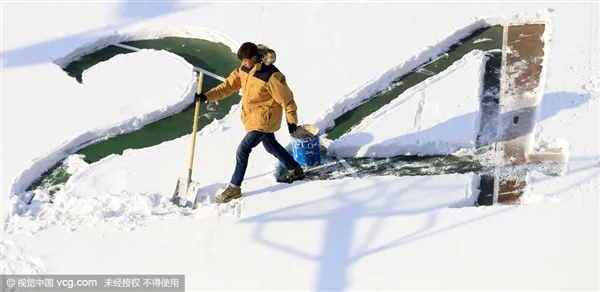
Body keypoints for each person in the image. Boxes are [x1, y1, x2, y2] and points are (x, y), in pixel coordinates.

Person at [194, 42, 305, 203]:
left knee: (243, 149)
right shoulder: (244, 69)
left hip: (264, 119)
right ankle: (295, 169)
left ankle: (234, 187)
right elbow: (228, 86)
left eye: (245, 61)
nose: (242, 64)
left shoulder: (271, 75)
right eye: (241, 61)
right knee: (270, 146)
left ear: (254, 58)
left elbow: (287, 99)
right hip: (252, 117)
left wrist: (292, 121)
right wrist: (207, 97)